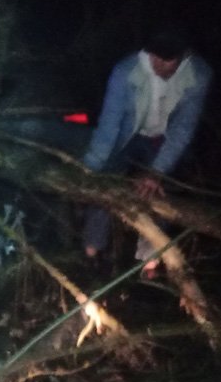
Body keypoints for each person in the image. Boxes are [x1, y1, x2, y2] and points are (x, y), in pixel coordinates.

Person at [82, 22, 213, 277]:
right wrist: (90, 168)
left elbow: (182, 129)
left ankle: (149, 261)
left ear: (185, 55)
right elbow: (109, 124)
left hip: (161, 140)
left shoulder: (199, 74)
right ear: (147, 51)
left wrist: (157, 171)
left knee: (157, 192)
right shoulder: (125, 71)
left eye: (169, 60)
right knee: (105, 184)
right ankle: (91, 252)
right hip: (128, 137)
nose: (161, 65)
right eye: (156, 57)